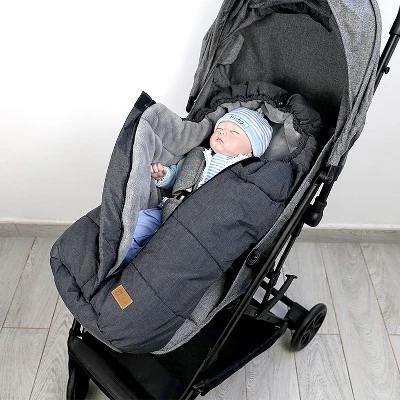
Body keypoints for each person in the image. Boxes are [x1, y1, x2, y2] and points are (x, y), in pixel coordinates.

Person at [123, 107, 273, 264]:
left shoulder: (248, 174)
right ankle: (133, 259)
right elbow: (179, 177)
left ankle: (148, 261)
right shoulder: (200, 156)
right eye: (220, 128)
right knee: (133, 227)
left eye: (234, 132)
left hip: (201, 227)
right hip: (172, 209)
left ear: (251, 151)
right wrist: (164, 175)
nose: (223, 132)